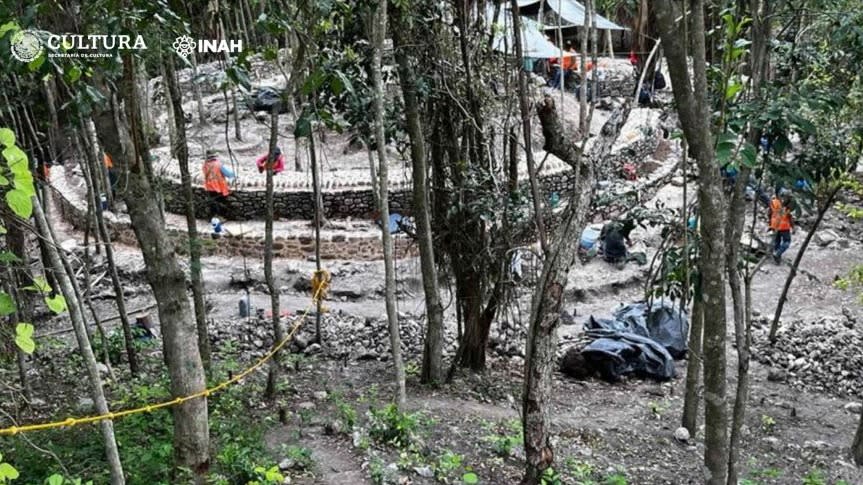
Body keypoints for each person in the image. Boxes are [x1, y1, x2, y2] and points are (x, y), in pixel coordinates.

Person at [202, 149, 236, 218]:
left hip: (209, 187)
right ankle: (221, 217)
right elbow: (229, 174)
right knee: (221, 203)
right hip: (218, 187)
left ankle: (212, 217)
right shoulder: (218, 164)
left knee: (212, 203)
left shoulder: (205, 165)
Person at [768, 190, 793, 263]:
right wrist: (793, 227)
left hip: (775, 224)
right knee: (787, 241)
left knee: (777, 241)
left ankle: (777, 259)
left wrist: (770, 224)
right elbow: (790, 217)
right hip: (784, 226)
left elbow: (769, 213)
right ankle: (777, 253)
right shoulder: (788, 205)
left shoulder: (773, 202)